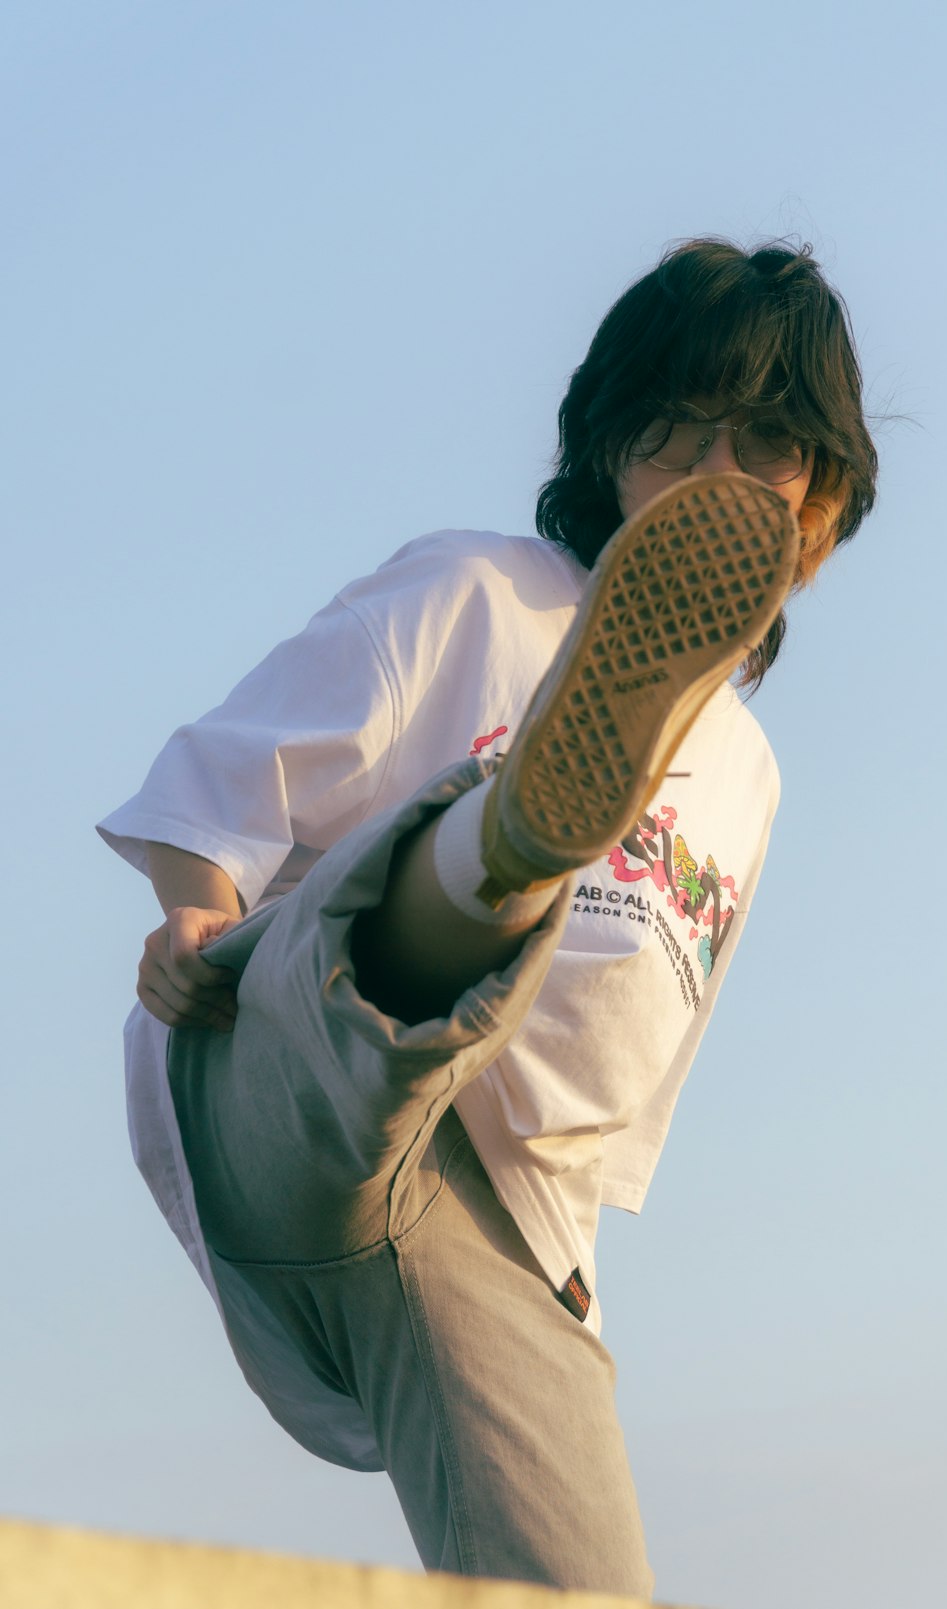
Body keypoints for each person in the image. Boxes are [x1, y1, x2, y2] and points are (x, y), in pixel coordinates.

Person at [98, 238, 877, 1597]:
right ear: (604, 450)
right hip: (293, 1066)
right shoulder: (484, 591)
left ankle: (513, 838)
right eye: (672, 433)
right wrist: (191, 927)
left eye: (763, 445)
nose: (711, 476)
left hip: (478, 1220)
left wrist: (566, 1307)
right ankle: (499, 831)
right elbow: (223, 783)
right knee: (397, 925)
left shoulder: (747, 782)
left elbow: (595, 1121)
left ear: (819, 498)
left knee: (581, 1582)